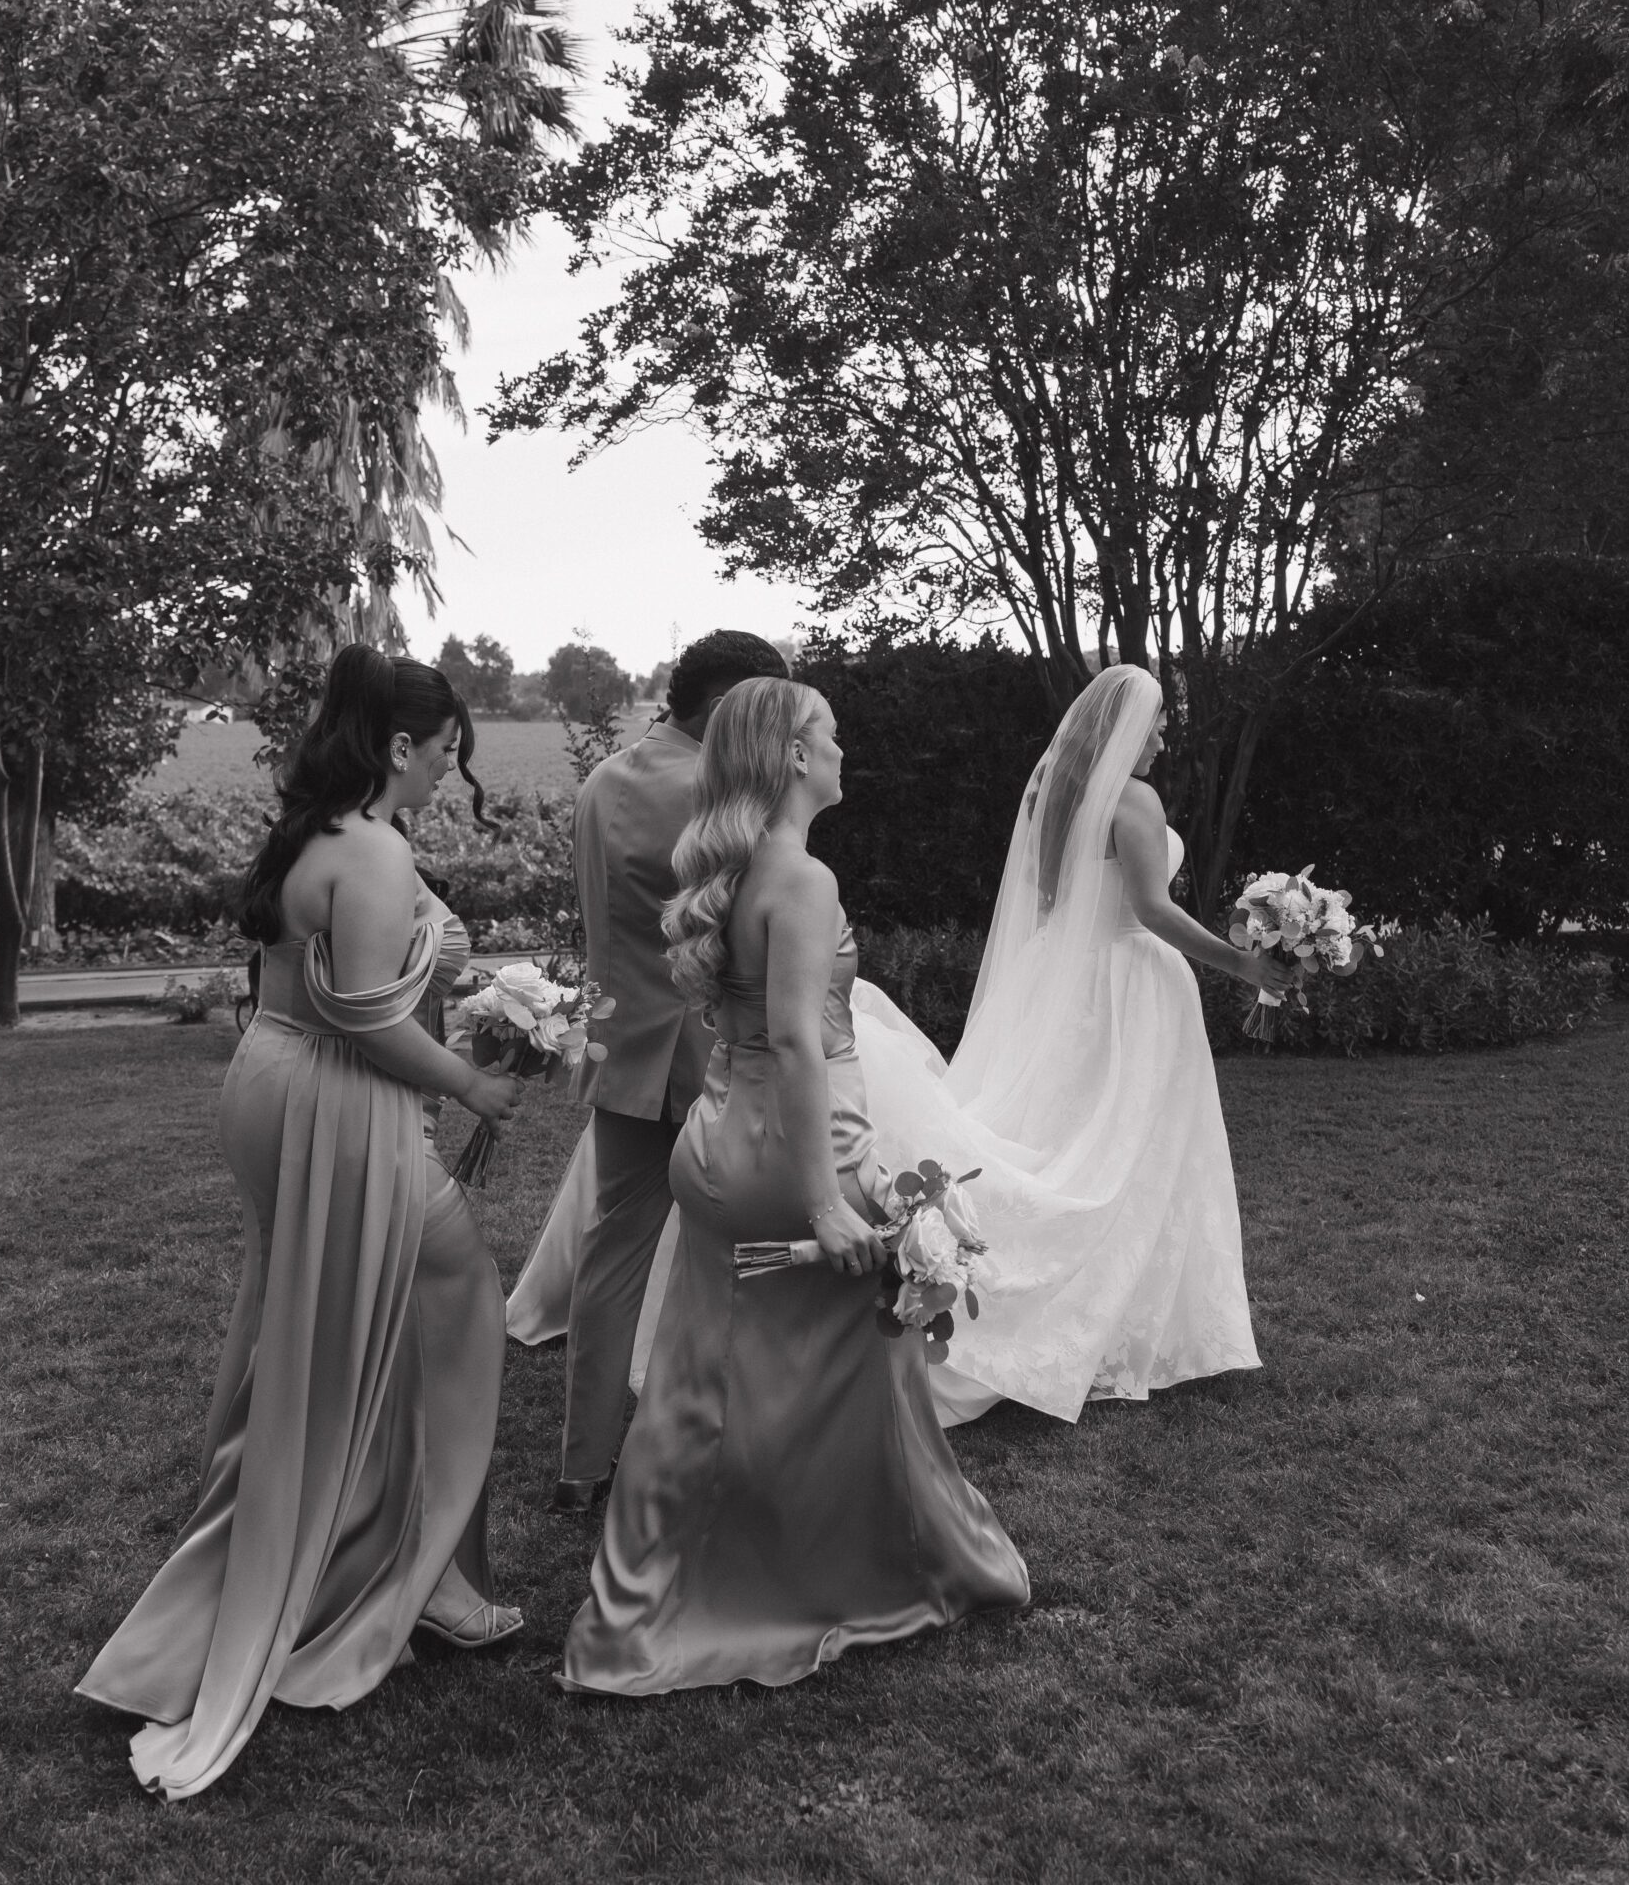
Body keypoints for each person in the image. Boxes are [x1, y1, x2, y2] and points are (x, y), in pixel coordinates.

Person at [77, 648, 522, 1799]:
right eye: (442, 753)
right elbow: (371, 1018)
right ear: (397, 748)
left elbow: (352, 974)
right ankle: (417, 1575)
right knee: (454, 1297)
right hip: (336, 1096)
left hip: (273, 1078)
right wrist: (474, 1084)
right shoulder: (370, 848)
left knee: (348, 1328)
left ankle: (395, 1565)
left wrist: (452, 948)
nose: (446, 772)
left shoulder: (318, 827)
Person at [560, 677, 1028, 1696]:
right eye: (829, 734)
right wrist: (826, 1200)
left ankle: (649, 1587)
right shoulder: (802, 879)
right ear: (790, 760)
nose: (844, 748)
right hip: (785, 1147)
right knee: (844, 1374)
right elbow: (799, 1048)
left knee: (704, 1374)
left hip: (720, 1133)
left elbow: (738, 1033)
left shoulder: (735, 869)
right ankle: (834, 1573)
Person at [848, 661, 1292, 1426]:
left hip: (1057, 976)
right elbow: (1150, 909)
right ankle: (1108, 1317)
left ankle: (974, 1263)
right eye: (1154, 720)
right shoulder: (1134, 798)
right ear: (1122, 726)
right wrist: (1244, 964)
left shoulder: (1051, 792)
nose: (1160, 734)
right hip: (1128, 984)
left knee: (1059, 1128)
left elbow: (1054, 896)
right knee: (1131, 1150)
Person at [505, 629, 788, 1511]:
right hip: (711, 1053)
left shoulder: (601, 782)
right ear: (723, 706)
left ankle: (581, 1466)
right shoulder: (718, 793)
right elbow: (751, 934)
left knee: (613, 1258)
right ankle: (741, 1447)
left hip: (622, 1048)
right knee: (757, 1249)